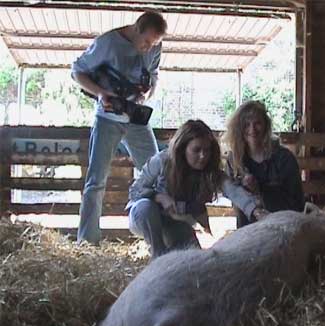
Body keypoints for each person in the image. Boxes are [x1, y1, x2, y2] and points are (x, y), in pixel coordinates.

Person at [71, 10, 167, 245]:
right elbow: (76, 71)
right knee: (96, 180)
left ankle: (161, 236)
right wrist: (102, 93)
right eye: (146, 42)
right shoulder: (108, 43)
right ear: (136, 28)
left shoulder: (155, 47)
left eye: (154, 43)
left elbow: (153, 76)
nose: (148, 47)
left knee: (157, 174)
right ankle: (87, 242)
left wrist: (145, 95)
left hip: (136, 119)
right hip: (107, 118)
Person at [127, 120, 268, 259]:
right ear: (183, 148)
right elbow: (135, 191)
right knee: (145, 207)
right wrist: (159, 197)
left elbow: (233, 190)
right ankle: (157, 254)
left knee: (194, 260)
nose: (203, 156)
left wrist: (256, 210)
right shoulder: (162, 161)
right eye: (196, 150)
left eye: (207, 150)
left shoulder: (211, 172)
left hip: (175, 223)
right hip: (145, 218)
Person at [223, 100, 305, 228]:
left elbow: (297, 204)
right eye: (246, 124)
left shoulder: (284, 159)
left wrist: (261, 191)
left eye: (257, 123)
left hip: (282, 228)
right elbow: (231, 192)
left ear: (266, 125)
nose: (252, 129)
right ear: (239, 128)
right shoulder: (234, 160)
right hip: (246, 230)